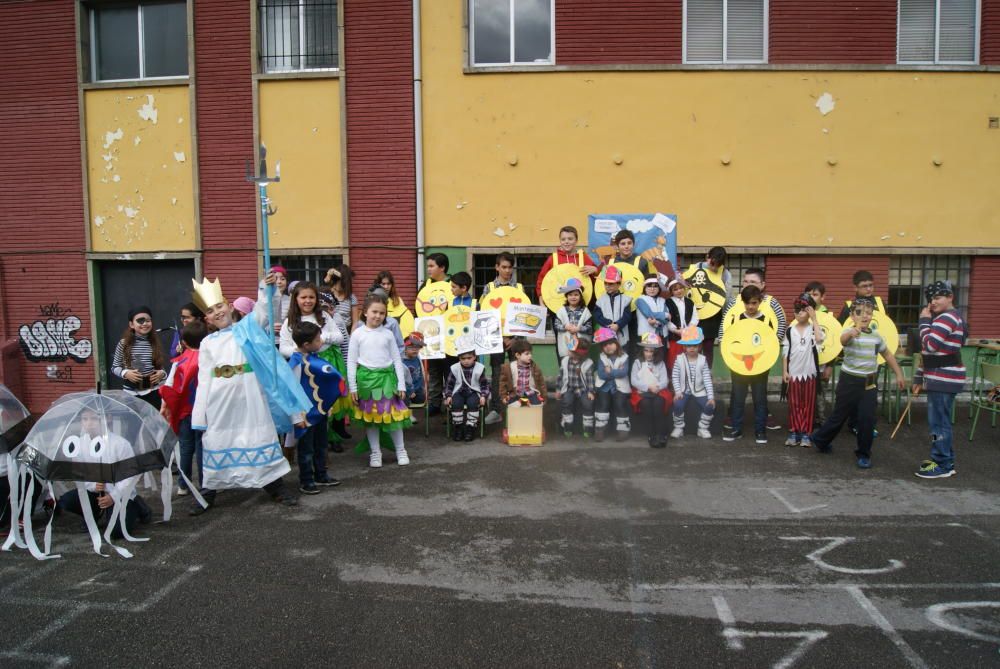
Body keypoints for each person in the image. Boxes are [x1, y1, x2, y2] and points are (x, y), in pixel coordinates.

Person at [190, 273, 308, 513]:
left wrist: (266, 287)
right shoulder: (207, 343)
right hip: (220, 402)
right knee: (216, 440)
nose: (218, 312)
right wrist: (200, 415)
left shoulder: (248, 328)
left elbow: (265, 310)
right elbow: (203, 379)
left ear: (230, 306)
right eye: (211, 310)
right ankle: (208, 492)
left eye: (220, 306)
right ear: (207, 318)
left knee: (258, 438)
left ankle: (275, 486)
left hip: (250, 397)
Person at [811, 297, 906, 469]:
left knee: (867, 419)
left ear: (872, 317)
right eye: (859, 313)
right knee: (839, 416)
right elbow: (842, 341)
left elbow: (888, 355)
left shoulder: (877, 337)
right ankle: (820, 439)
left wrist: (899, 374)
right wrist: (851, 332)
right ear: (852, 316)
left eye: (869, 313)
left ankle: (863, 454)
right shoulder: (848, 332)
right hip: (849, 382)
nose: (864, 316)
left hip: (869, 383)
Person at [57, 408, 152, 538]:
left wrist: (113, 496)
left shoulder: (120, 444)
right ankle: (94, 513)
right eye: (85, 419)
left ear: (107, 418)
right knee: (66, 501)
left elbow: (130, 475)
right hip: (95, 492)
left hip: (119, 494)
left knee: (117, 532)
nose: (89, 423)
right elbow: (80, 473)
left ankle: (137, 505)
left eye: (94, 418)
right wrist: (92, 485)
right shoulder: (80, 444)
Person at [279, 281, 351, 447]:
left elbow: (339, 337)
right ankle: (298, 445)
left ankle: (324, 445)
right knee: (305, 406)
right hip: (302, 368)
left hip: (322, 365)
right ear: (295, 299)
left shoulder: (324, 317)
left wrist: (321, 338)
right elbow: (283, 348)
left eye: (311, 297)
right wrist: (301, 352)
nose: (308, 301)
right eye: (303, 297)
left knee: (324, 404)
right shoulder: (289, 322)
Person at [348, 292, 412, 468]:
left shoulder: (388, 334)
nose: (378, 316)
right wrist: (353, 387)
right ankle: (375, 453)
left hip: (387, 381)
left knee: (393, 416)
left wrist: (401, 384)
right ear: (365, 312)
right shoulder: (357, 334)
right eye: (374, 311)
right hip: (366, 383)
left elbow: (397, 359)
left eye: (382, 313)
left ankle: (401, 450)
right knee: (371, 419)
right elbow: (351, 361)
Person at [913, 280, 967, 479]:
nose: (933, 302)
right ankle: (946, 460)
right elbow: (929, 354)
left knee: (938, 423)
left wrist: (924, 322)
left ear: (950, 296)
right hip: (943, 378)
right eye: (930, 299)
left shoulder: (946, 318)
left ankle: (942, 463)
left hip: (944, 379)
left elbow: (930, 345)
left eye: (937, 297)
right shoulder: (950, 317)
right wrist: (920, 376)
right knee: (941, 421)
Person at [288, 322, 344, 494]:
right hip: (305, 415)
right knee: (306, 449)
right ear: (306, 344)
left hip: (319, 412)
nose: (321, 342)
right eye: (318, 339)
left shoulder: (313, 358)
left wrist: (326, 406)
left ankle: (321, 474)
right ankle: (306, 480)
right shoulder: (296, 363)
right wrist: (296, 416)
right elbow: (292, 391)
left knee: (321, 444)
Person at [160, 320, 208, 496]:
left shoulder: (179, 361)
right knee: (203, 447)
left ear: (184, 343)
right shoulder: (208, 358)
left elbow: (169, 385)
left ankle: (183, 484)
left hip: (184, 412)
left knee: (185, 448)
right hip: (204, 412)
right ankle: (205, 484)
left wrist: (165, 406)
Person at [722, 286, 774, 444]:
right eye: (747, 303)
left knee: (760, 399)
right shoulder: (736, 319)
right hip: (739, 366)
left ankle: (760, 431)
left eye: (754, 303)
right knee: (738, 399)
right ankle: (736, 429)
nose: (751, 307)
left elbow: (770, 344)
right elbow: (729, 342)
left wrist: (766, 362)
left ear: (760, 302)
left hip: (760, 367)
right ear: (743, 303)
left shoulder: (766, 320)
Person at [481, 252, 522, 425]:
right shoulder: (489, 288)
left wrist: (514, 338)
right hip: (495, 340)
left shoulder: (519, 288)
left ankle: (517, 408)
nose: (507, 270)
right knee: (497, 374)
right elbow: (483, 314)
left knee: (518, 373)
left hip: (515, 340)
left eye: (510, 267)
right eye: (503, 267)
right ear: (497, 267)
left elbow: (523, 316)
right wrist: (499, 337)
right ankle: (496, 410)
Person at [782, 294, 824, 448]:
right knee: (794, 405)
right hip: (793, 374)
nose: (799, 313)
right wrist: (784, 371)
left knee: (808, 404)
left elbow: (819, 339)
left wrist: (814, 318)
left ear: (810, 311)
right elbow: (785, 352)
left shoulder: (813, 329)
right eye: (796, 309)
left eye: (803, 310)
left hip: (809, 374)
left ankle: (806, 433)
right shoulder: (790, 330)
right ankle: (794, 432)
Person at [683, 246, 731, 370]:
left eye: (717, 265)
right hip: (694, 314)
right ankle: (691, 373)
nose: (714, 267)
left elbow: (727, 297)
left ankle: (707, 373)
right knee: (692, 344)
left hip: (713, 315)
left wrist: (726, 319)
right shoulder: (694, 269)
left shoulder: (725, 274)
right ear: (707, 257)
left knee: (708, 347)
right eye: (712, 263)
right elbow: (681, 287)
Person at [111, 306, 168, 409]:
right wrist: (125, 373)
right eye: (140, 321)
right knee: (133, 424)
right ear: (132, 324)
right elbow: (114, 367)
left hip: (154, 392)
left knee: (154, 423)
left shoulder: (155, 343)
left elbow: (160, 368)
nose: (145, 323)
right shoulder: (123, 343)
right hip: (131, 395)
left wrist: (162, 374)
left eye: (148, 320)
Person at [535, 225, 600, 301]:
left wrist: (595, 270)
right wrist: (541, 298)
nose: (566, 242)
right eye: (563, 239)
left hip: (582, 304)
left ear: (576, 241)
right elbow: (542, 281)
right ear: (560, 241)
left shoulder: (583, 257)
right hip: (558, 304)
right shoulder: (553, 258)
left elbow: (598, 280)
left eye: (570, 239)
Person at [671, 326, 714, 439]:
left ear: (699, 347)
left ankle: (703, 427)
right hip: (683, 390)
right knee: (677, 405)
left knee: (709, 406)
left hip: (699, 390)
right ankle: (679, 427)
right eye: (689, 345)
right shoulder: (679, 359)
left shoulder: (703, 360)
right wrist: (678, 392)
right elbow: (675, 376)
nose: (692, 348)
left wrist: (710, 397)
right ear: (684, 347)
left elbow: (707, 379)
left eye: (695, 345)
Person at [422, 253, 450, 416]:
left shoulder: (453, 284)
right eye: (428, 266)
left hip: (449, 336)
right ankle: (434, 403)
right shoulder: (425, 286)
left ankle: (450, 402)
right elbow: (419, 307)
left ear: (442, 268)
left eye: (431, 266)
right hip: (432, 334)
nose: (428, 269)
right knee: (434, 370)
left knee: (449, 371)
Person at [631, 333, 670, 448]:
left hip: (658, 391)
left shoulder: (660, 363)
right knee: (646, 404)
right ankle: (651, 435)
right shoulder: (637, 362)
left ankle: (661, 433)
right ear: (642, 350)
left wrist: (657, 387)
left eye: (651, 351)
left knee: (658, 404)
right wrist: (648, 387)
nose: (648, 354)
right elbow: (634, 380)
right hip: (642, 391)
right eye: (646, 350)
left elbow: (664, 380)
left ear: (656, 352)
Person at [444, 344, 490, 442]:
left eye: (469, 358)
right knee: (456, 403)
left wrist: (483, 396)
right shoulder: (454, 368)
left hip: (473, 392)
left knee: (473, 404)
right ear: (459, 358)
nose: (466, 361)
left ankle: (470, 429)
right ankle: (458, 428)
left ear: (474, 357)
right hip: (459, 391)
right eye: (463, 358)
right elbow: (449, 384)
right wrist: (448, 395)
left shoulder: (480, 368)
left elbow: (484, 384)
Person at [593, 327, 631, 442]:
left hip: (620, 387)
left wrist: (611, 371)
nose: (608, 347)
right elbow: (601, 374)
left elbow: (623, 373)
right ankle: (600, 430)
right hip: (605, 386)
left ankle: (623, 430)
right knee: (603, 404)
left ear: (616, 343)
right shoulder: (602, 357)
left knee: (620, 404)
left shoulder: (624, 356)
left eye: (610, 343)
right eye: (605, 345)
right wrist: (615, 372)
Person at [805, 281, 833, 425]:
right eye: (809, 294)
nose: (811, 297)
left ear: (823, 297)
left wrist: (830, 365)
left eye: (815, 294)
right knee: (806, 397)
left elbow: (834, 344)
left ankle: (821, 423)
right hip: (805, 366)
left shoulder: (829, 316)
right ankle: (806, 423)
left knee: (820, 396)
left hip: (822, 365)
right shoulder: (802, 314)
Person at [555, 337, 595, 439]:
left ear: (578, 354)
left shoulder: (588, 363)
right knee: (567, 402)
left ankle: (588, 427)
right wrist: (558, 390)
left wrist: (591, 391)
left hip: (583, 389)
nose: (568, 351)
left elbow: (590, 378)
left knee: (588, 404)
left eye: (570, 351)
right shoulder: (565, 361)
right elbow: (560, 376)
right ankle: (568, 425)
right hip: (569, 388)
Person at [553, 278, 593, 364]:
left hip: (580, 343)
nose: (573, 297)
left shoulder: (585, 311)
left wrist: (579, 329)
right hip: (565, 341)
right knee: (567, 364)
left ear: (580, 296)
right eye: (570, 295)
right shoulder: (561, 311)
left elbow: (589, 328)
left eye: (576, 295)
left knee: (581, 364)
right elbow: (556, 325)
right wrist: (565, 327)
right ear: (566, 297)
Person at [499, 339, 546, 407]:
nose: (530, 356)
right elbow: (503, 383)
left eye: (530, 353)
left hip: (531, 393)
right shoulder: (509, 367)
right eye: (527, 354)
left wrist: (543, 396)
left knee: (536, 406)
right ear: (518, 355)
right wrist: (503, 396)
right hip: (515, 394)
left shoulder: (535, 367)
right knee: (513, 405)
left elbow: (541, 383)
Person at [665, 277, 698, 372]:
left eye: (681, 288)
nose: (679, 291)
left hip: (689, 335)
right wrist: (676, 330)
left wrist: (689, 328)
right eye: (675, 289)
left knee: (688, 359)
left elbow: (695, 317)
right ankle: (674, 380)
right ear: (671, 291)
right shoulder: (668, 302)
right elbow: (667, 320)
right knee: (674, 359)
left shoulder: (689, 302)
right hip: (674, 336)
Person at [594, 265, 632, 348]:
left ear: (618, 284)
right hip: (606, 335)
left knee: (622, 355)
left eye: (610, 284)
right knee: (607, 355)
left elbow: (627, 316)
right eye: (605, 283)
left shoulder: (626, 299)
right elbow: (597, 316)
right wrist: (609, 324)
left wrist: (618, 325)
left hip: (621, 335)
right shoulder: (600, 300)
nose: (607, 286)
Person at [402, 333, 427, 416]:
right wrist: (409, 391)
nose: (415, 350)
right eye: (411, 348)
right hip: (405, 389)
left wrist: (423, 386)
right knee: (404, 401)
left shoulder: (417, 358)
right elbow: (401, 379)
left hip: (417, 388)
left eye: (417, 348)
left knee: (421, 399)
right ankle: (408, 416)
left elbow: (421, 373)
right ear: (404, 349)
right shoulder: (402, 361)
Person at [269, 265, 291, 343]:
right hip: (269, 343)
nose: (279, 282)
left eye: (282, 279)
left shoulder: (290, 301)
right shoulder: (264, 301)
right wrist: (269, 328)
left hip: (286, 342)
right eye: (275, 279)